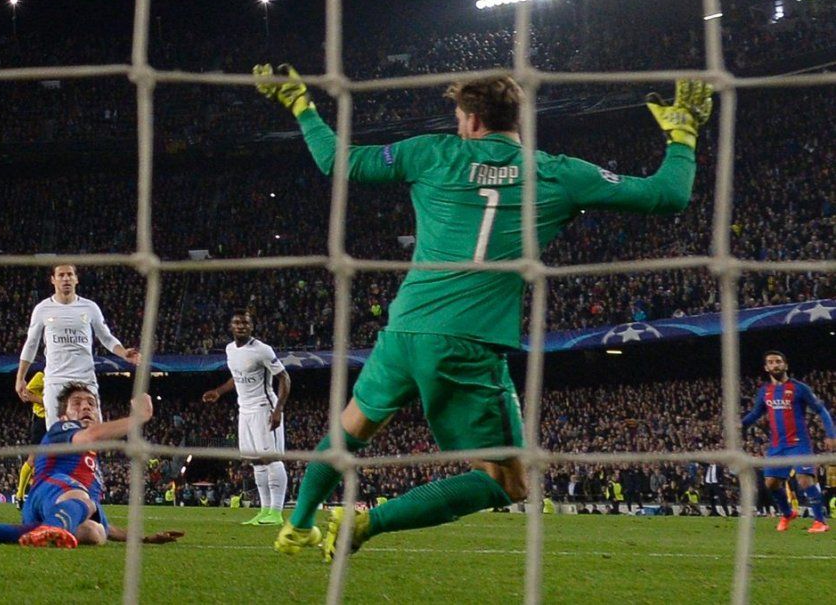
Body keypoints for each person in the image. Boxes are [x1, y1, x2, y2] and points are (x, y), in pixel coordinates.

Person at [252, 64, 713, 560]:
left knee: (349, 431)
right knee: (507, 482)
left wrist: (302, 105)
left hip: (405, 330)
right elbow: (668, 195)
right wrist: (682, 136)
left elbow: (336, 161)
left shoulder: (431, 153)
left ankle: (299, 525)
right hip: (468, 344)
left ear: (472, 119)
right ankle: (365, 523)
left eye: (458, 117)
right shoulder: (555, 172)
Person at [0, 383, 182, 548]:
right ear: (63, 416)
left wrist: (145, 539)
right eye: (76, 403)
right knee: (86, 501)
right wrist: (139, 418)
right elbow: (90, 437)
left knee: (95, 532)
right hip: (47, 491)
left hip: (50, 510)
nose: (86, 407)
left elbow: (106, 526)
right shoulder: (63, 429)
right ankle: (50, 528)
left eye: (91, 404)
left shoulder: (92, 466)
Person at [15, 264, 140, 428]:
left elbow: (106, 337)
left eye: (70, 274)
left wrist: (124, 353)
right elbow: (31, 344)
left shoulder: (90, 307)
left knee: (92, 431)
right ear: (53, 280)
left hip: (85, 378)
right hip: (56, 379)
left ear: (76, 279)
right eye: (61, 275)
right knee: (57, 433)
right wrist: (20, 378)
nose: (66, 278)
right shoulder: (42, 309)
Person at [202, 310, 291, 526]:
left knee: (272, 459)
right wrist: (219, 391)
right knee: (256, 462)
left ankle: (276, 512)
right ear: (231, 326)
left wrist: (278, 410)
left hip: (264, 409)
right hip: (245, 411)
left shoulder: (262, 350)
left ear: (251, 326)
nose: (241, 326)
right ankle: (264, 510)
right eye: (237, 323)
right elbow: (237, 376)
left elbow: (284, 378)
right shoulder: (230, 349)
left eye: (245, 323)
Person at [741, 350, 836, 533]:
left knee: (804, 479)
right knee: (770, 483)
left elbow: (821, 410)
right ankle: (787, 513)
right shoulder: (765, 391)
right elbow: (756, 413)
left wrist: (831, 434)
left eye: (778, 361)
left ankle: (820, 521)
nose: (775, 365)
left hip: (799, 443)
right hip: (777, 445)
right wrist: (741, 425)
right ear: (766, 367)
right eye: (771, 362)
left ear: (785, 365)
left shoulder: (800, 388)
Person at [12, 368, 46, 510]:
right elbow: (26, 395)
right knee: (32, 460)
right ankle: (20, 495)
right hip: (41, 421)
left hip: (56, 421)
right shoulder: (41, 376)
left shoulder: (62, 378)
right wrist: (46, 402)